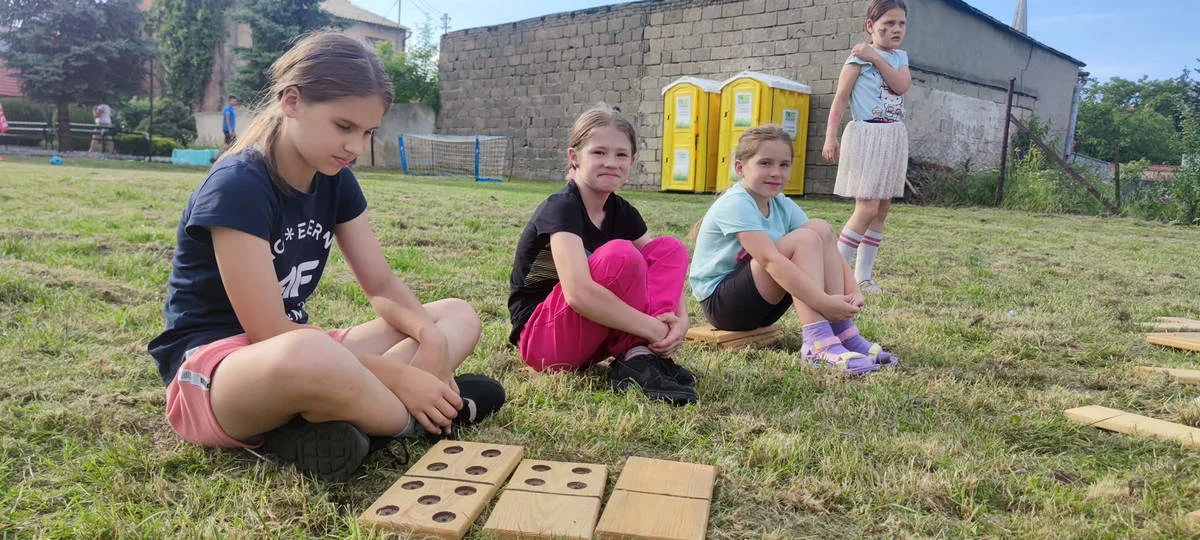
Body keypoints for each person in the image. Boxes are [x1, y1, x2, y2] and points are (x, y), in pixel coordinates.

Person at [147, 32, 505, 482]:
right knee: (308, 350)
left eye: (367, 132)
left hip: (307, 352)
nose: (356, 146)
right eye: (344, 127)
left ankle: (330, 425)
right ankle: (424, 415)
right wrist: (402, 378)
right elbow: (269, 333)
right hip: (221, 373)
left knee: (456, 315)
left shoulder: (334, 177)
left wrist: (430, 340)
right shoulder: (239, 184)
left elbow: (381, 285)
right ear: (292, 101)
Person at [507, 104, 698, 405]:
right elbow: (578, 294)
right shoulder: (562, 207)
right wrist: (651, 328)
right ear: (575, 157)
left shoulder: (622, 211)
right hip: (542, 342)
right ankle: (641, 350)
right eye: (599, 153)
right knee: (620, 254)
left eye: (621, 155)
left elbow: (660, 265)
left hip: (592, 338)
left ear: (632, 161)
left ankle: (641, 357)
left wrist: (680, 322)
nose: (611, 162)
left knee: (669, 248)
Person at [690, 125, 897, 375]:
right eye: (765, 163)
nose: (776, 172)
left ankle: (843, 332)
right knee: (804, 240)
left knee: (819, 229)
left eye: (784, 165)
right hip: (724, 307)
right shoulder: (735, 203)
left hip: (764, 306)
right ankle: (816, 345)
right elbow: (769, 260)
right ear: (740, 168)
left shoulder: (780, 203)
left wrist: (852, 290)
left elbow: (826, 241)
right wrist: (823, 302)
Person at [823, 0, 911, 294]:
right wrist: (830, 136)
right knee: (867, 206)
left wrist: (875, 57)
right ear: (871, 26)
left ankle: (863, 278)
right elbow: (840, 99)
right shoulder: (855, 61)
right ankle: (833, 275)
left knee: (882, 208)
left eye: (901, 23)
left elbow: (901, 86)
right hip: (866, 136)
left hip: (892, 137)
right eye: (888, 24)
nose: (895, 29)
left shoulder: (900, 58)